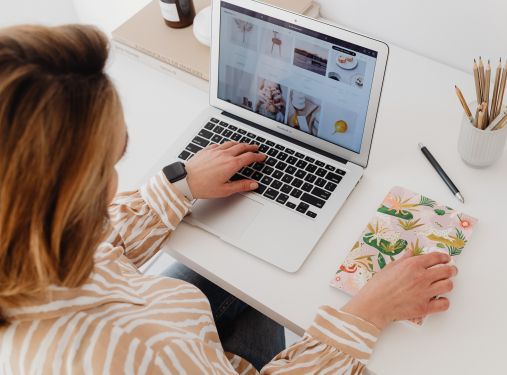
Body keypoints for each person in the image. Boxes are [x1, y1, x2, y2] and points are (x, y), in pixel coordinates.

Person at [0, 24, 457, 374]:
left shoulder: (23, 250)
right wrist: (366, 314)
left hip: (177, 328)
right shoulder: (137, 353)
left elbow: (103, 248)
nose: (116, 185)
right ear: (59, 199)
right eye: (109, 164)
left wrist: (182, 184)